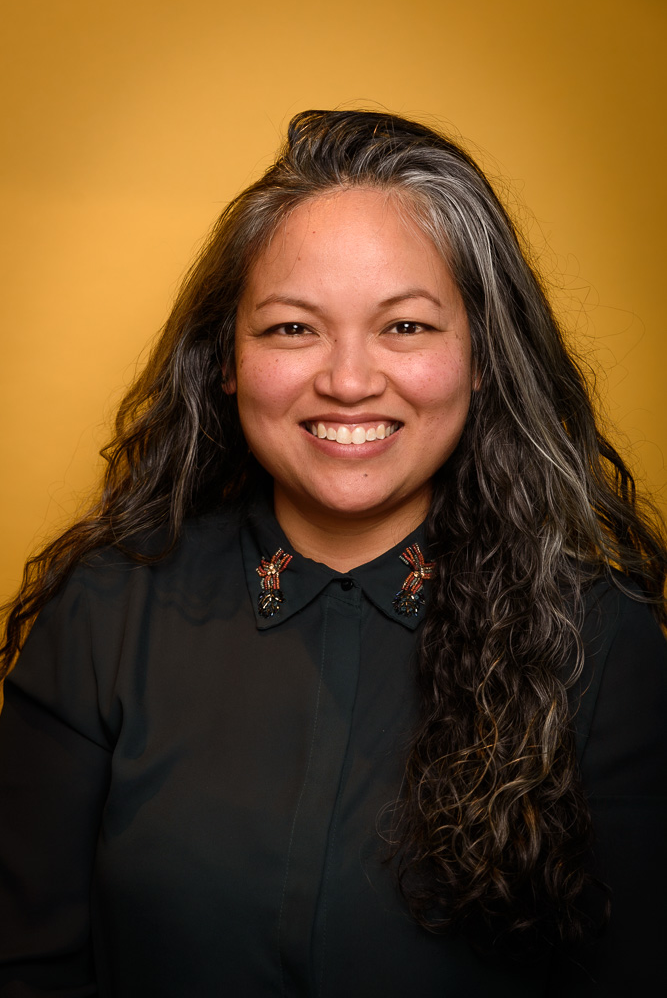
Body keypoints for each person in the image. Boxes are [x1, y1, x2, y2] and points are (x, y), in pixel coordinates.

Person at [0, 109, 665, 997]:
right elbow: (25, 964)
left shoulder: (603, 640)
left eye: (406, 327)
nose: (348, 381)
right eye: (291, 329)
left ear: (481, 357)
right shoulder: (103, 611)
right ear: (226, 361)